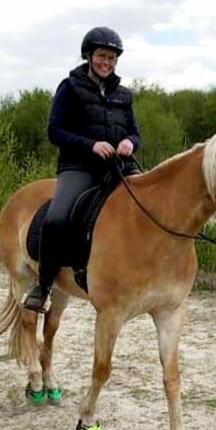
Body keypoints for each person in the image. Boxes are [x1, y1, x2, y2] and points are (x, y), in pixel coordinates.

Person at [22, 26, 141, 312]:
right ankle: (44, 285)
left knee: (149, 206)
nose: (107, 63)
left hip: (118, 167)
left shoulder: (124, 95)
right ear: (89, 55)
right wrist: (90, 145)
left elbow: (135, 133)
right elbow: (54, 131)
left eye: (112, 58)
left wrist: (129, 143)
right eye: (102, 56)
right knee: (58, 217)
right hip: (79, 167)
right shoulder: (70, 88)